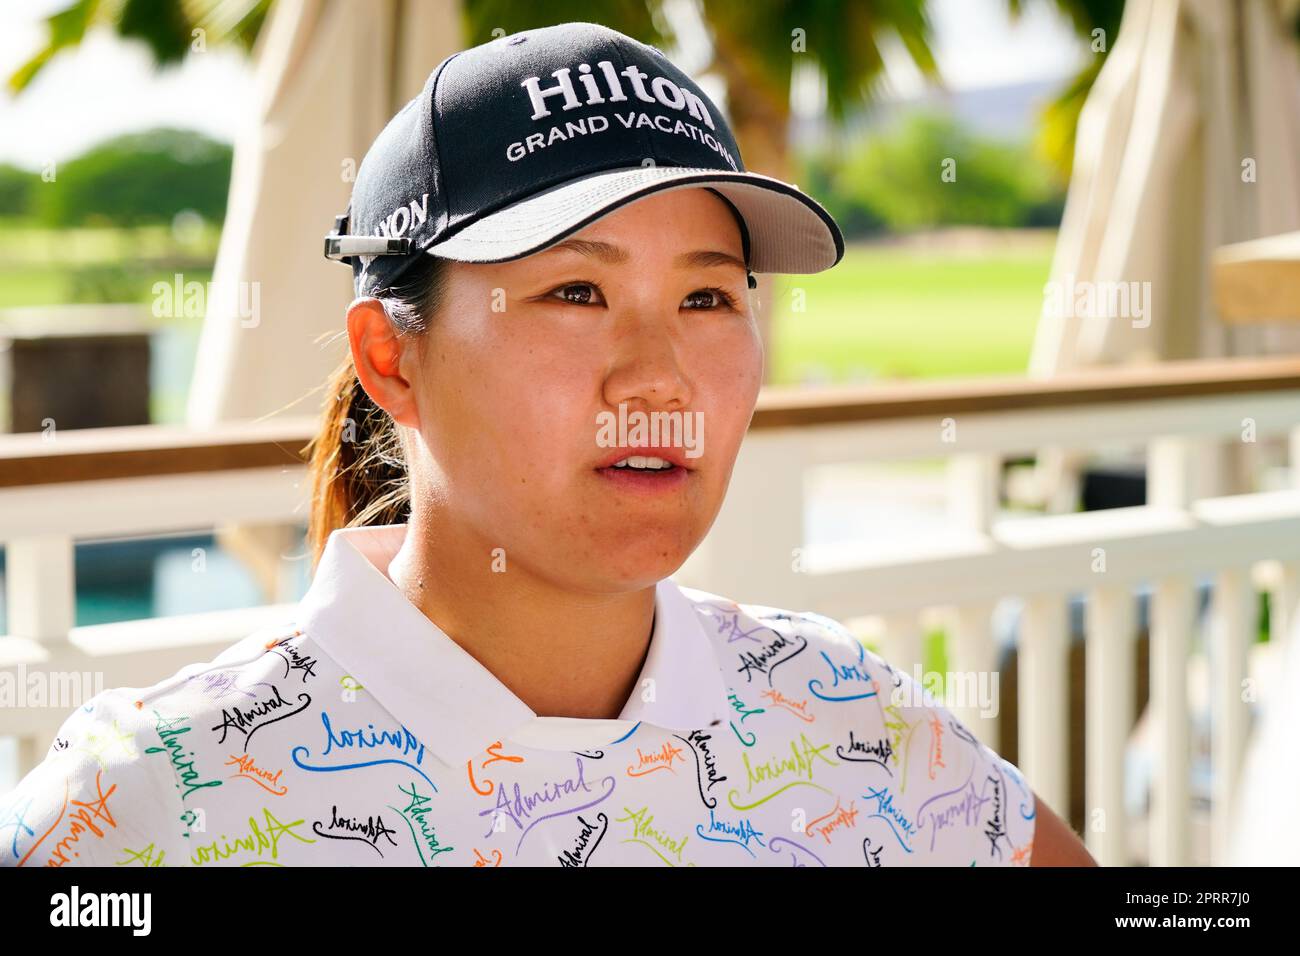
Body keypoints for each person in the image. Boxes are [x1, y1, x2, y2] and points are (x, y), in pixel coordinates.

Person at [0, 21, 1093, 868]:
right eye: (576, 290)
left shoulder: (854, 714)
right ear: (391, 359)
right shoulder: (148, 802)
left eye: (709, 296)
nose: (660, 374)